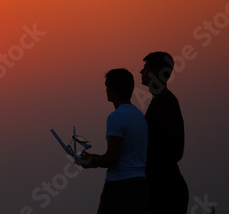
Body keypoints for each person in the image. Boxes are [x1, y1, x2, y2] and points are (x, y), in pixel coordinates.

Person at [77, 68, 148, 214]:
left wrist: (89, 161)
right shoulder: (139, 116)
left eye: (107, 87)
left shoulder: (116, 117)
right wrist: (94, 158)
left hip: (119, 187)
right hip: (140, 185)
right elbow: (125, 154)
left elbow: (112, 159)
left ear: (112, 89)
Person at [140, 52, 189, 214]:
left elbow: (166, 149)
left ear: (156, 73)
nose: (141, 72)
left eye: (145, 69)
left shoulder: (165, 104)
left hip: (165, 190)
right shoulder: (161, 102)